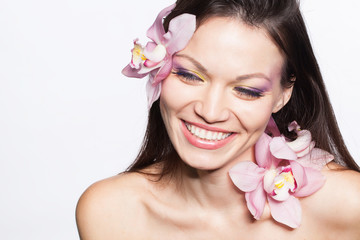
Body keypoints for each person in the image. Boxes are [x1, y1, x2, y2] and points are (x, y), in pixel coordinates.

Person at [76, 0, 360, 239]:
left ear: (283, 94)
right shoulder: (108, 214)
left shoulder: (349, 204)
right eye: (188, 75)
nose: (210, 112)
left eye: (246, 90)